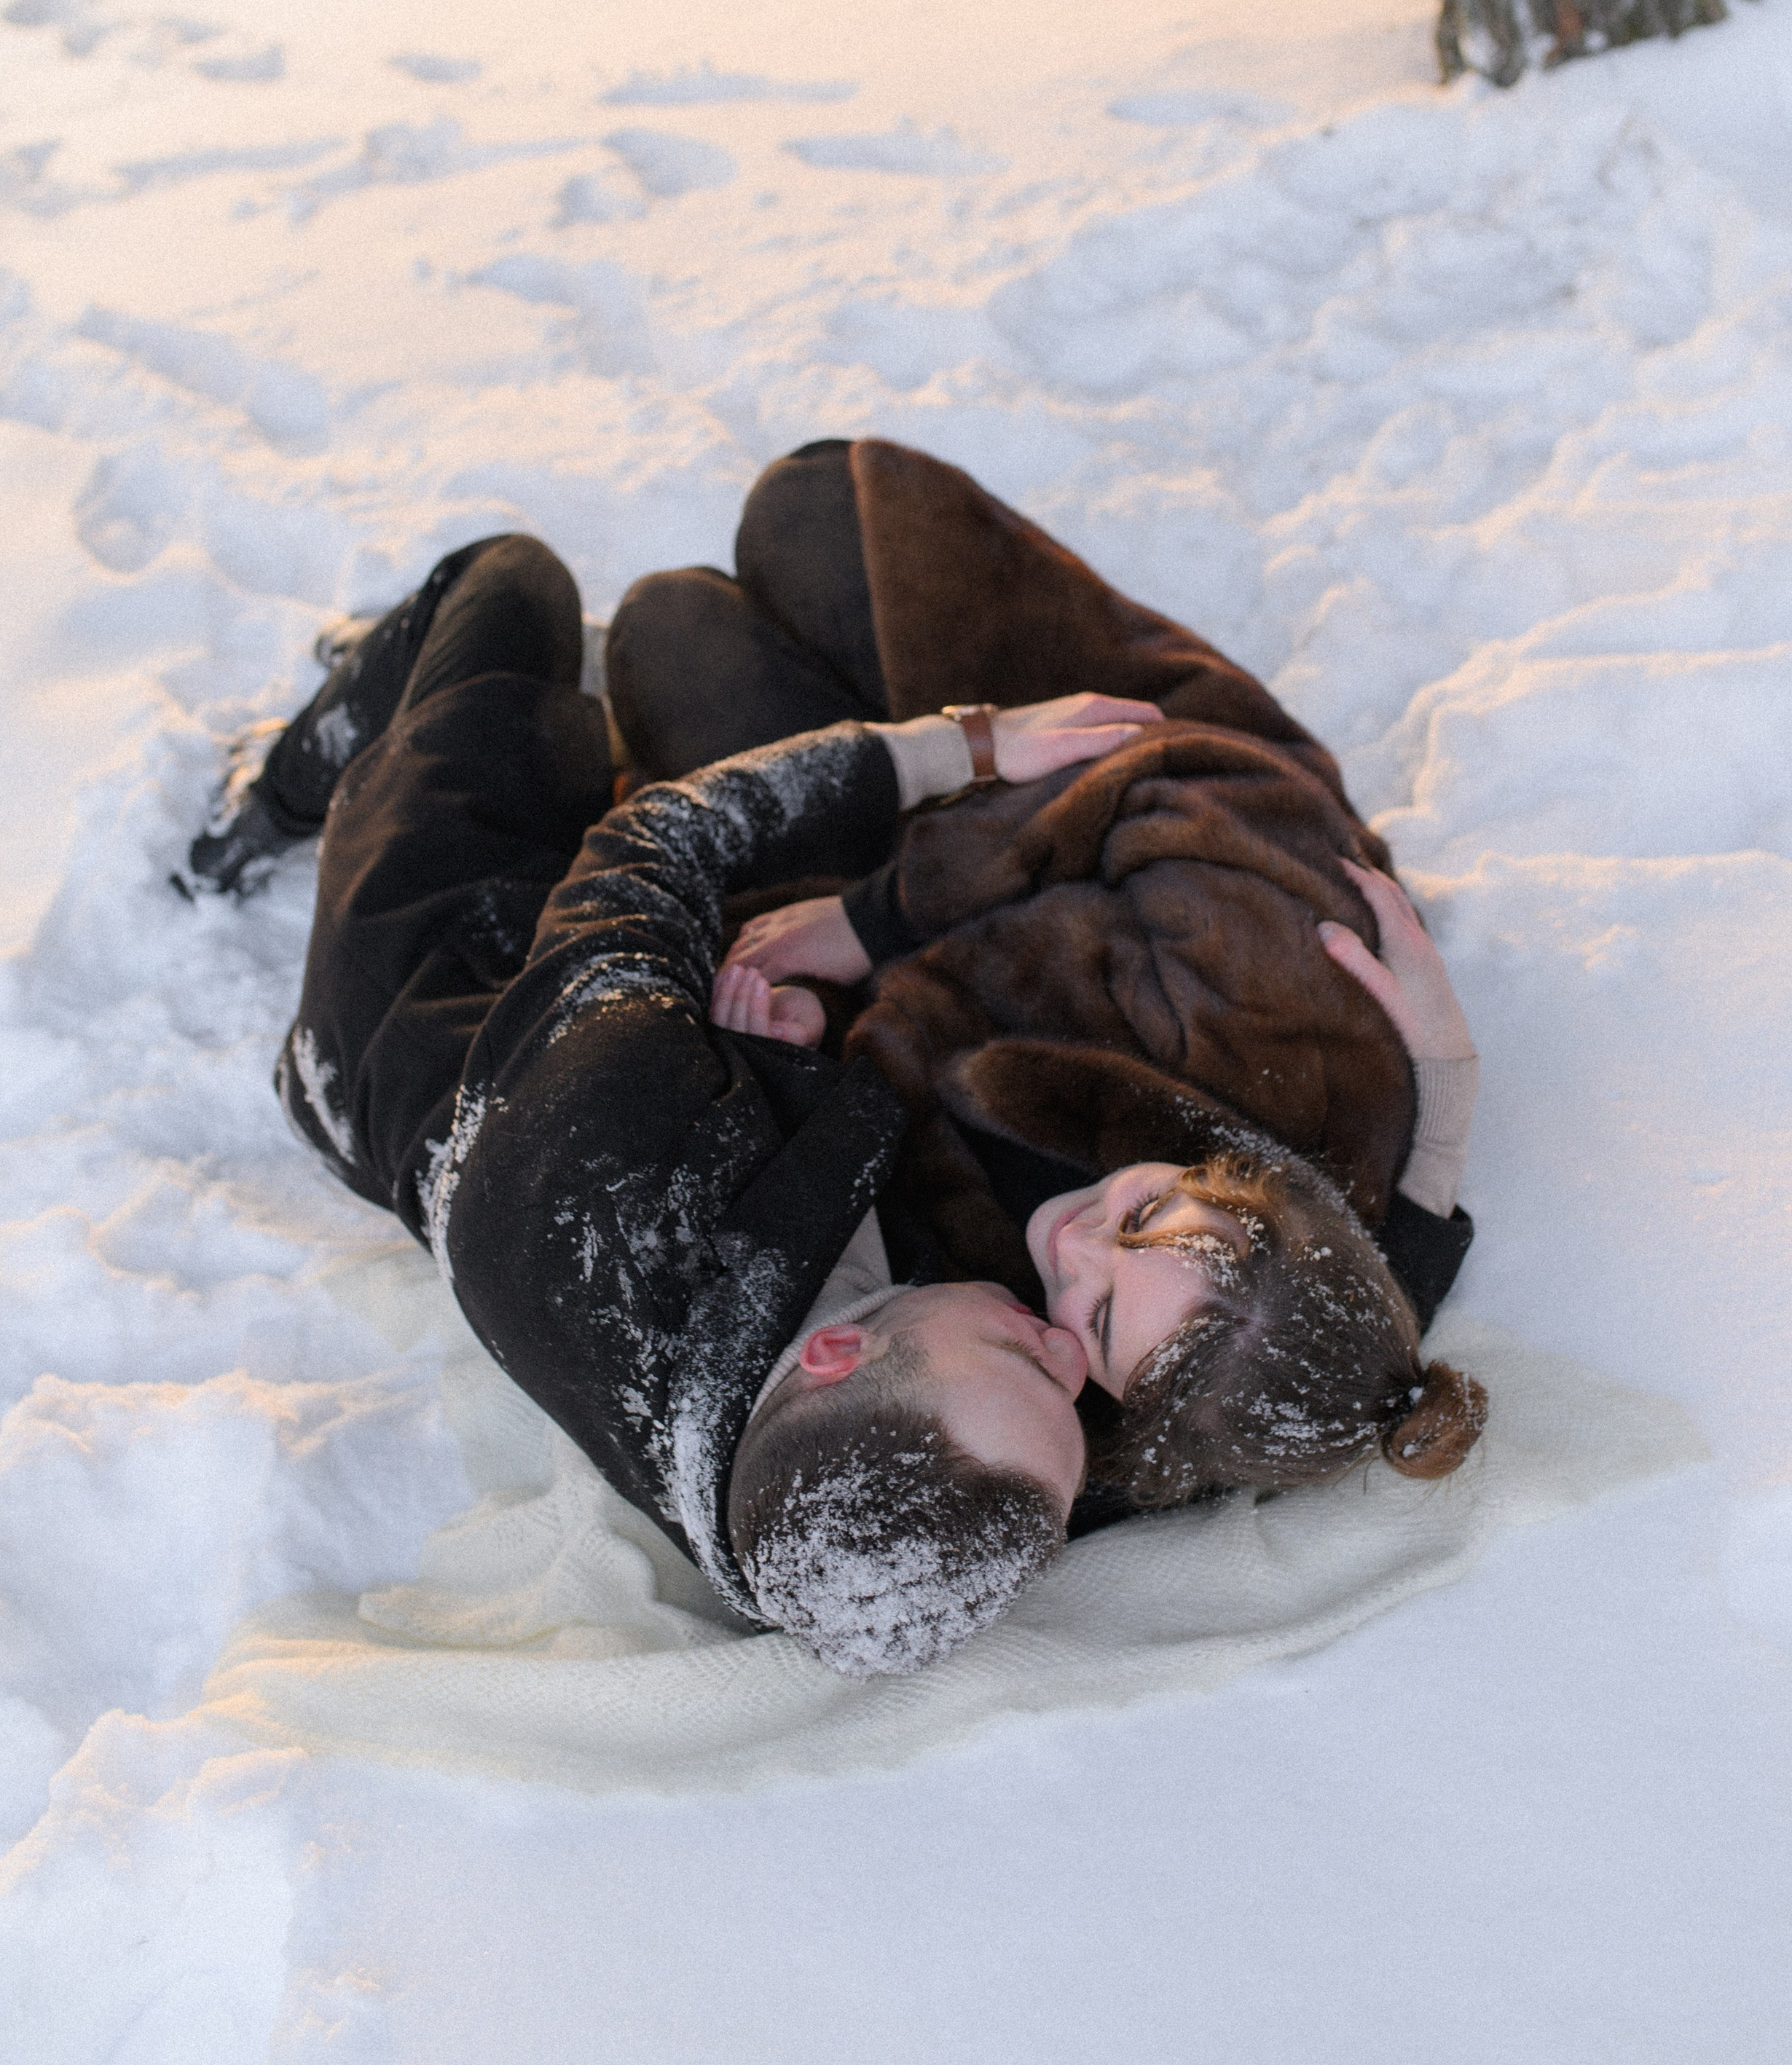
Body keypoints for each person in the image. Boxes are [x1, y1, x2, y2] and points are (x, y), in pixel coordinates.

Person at [193, 530, 1160, 1674]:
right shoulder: (849, 1514)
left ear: (837, 1354)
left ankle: (281, 787)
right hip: (569, 1076)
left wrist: (970, 745)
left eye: (1026, 1363)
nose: (1063, 1345)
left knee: (512, 585)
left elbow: (651, 846)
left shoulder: (624, 1146)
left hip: (428, 980)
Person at [608, 437, 1488, 1519]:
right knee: (815, 502)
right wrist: (873, 912)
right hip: (1084, 766)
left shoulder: (1045, 1409)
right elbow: (1172, 781)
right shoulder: (1306, 1048)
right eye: (1149, 1209)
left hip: (890, 935)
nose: (1072, 1245)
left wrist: (794, 1048)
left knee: (667, 628)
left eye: (1104, 1320)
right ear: (1254, 1184)